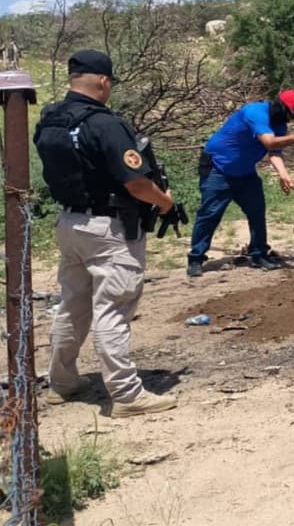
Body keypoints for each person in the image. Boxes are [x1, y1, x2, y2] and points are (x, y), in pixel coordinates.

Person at [35, 50, 177, 417]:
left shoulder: (51, 119)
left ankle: (62, 383)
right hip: (108, 228)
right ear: (103, 81)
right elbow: (136, 182)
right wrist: (164, 203)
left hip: (69, 223)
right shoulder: (104, 124)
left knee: (73, 305)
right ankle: (127, 395)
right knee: (113, 309)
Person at [186, 90, 294, 277]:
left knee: (257, 211)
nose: (291, 121)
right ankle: (196, 258)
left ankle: (258, 253)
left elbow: (275, 151)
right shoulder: (255, 113)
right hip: (218, 168)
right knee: (210, 214)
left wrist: (283, 173)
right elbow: (269, 142)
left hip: (245, 173)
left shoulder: (279, 124)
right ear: (281, 107)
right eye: (291, 115)